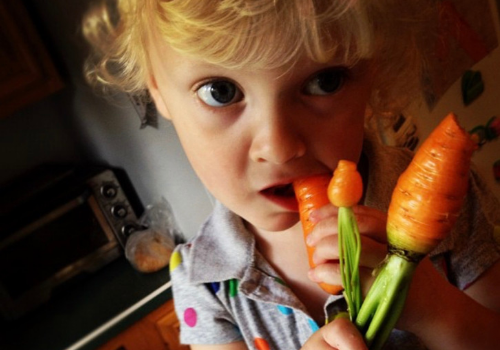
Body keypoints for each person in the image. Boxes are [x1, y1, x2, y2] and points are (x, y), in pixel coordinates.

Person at [82, 1, 500, 349]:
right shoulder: (204, 282)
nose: (280, 146)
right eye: (220, 91)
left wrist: (434, 308)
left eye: (325, 81)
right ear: (158, 91)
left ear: (373, 71)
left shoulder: (452, 207)